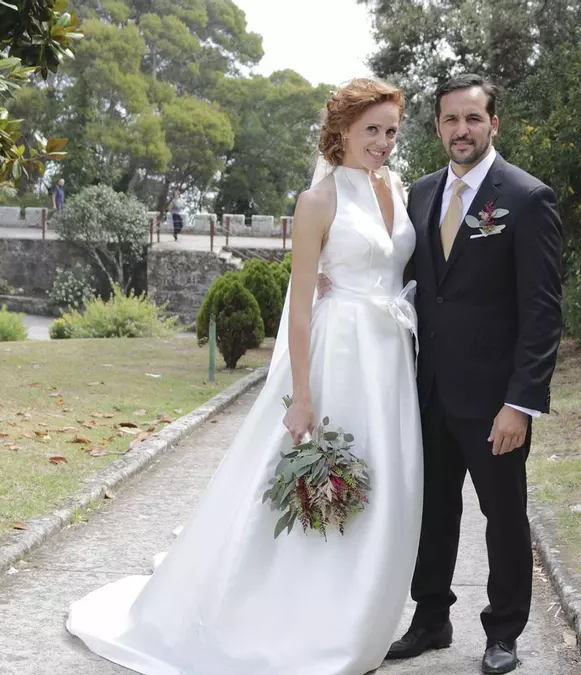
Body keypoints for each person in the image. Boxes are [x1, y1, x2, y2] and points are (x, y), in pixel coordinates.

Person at [64, 78, 424, 675]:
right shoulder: (318, 202)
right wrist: (301, 396)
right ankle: (300, 622)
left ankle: (361, 619)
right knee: (321, 477)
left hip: (390, 357)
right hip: (338, 354)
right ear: (341, 131)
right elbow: (301, 308)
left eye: (391, 131)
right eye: (371, 130)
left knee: (385, 483)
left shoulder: (396, 186)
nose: (383, 142)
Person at [379, 73, 563, 674]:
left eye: (473, 118)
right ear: (438, 127)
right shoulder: (419, 194)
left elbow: (542, 313)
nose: (462, 130)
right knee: (431, 512)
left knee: (503, 516)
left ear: (494, 124)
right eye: (451, 119)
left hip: (493, 400)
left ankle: (503, 631)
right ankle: (431, 618)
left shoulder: (528, 198)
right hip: (426, 390)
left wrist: (521, 403)